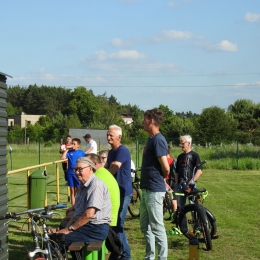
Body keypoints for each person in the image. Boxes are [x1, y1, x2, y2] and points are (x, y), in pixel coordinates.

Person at [53, 157, 111, 260]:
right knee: (54, 237)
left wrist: (70, 229)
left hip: (95, 228)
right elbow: (77, 213)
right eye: (75, 169)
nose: (77, 172)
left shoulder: (96, 185)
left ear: (90, 168)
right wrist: (67, 228)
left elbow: (89, 214)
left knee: (57, 240)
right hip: (87, 226)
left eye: (80, 169)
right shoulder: (82, 185)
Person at [139, 109, 170, 260]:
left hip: (154, 190)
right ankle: (149, 257)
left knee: (157, 227)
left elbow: (166, 167)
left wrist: (161, 178)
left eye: (144, 119)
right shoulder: (151, 139)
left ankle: (162, 258)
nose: (142, 122)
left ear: (151, 121)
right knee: (145, 226)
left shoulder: (158, 140)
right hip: (146, 189)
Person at [105, 124, 132, 260]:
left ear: (119, 137)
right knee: (113, 224)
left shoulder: (122, 151)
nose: (108, 137)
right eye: (108, 135)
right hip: (114, 192)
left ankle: (125, 255)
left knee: (118, 224)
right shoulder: (111, 152)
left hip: (123, 191)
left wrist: (102, 179)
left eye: (111, 135)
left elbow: (114, 168)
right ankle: (117, 252)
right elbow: (105, 168)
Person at [86, 153, 120, 227]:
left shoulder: (98, 178)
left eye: (86, 165)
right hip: (106, 216)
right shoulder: (103, 172)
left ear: (94, 163)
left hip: (104, 218)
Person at [175, 135, 203, 208]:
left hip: (191, 185)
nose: (181, 145)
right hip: (180, 185)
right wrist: (176, 184)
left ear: (189, 143)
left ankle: (195, 218)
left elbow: (199, 171)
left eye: (183, 143)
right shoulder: (180, 157)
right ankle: (182, 219)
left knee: (193, 205)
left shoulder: (195, 155)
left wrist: (191, 182)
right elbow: (176, 172)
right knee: (180, 206)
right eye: (180, 144)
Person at [61, 138, 85, 206]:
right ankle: (73, 206)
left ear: (78, 145)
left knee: (78, 189)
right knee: (72, 190)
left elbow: (86, 160)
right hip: (70, 173)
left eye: (74, 144)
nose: (73, 145)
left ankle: (78, 204)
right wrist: (67, 149)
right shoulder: (69, 152)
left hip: (77, 173)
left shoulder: (81, 152)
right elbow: (62, 158)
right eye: (72, 144)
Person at [165, 145, 177, 220]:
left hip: (166, 180)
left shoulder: (163, 160)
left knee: (166, 197)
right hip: (173, 180)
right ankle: (174, 215)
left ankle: (170, 214)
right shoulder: (174, 160)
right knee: (174, 199)